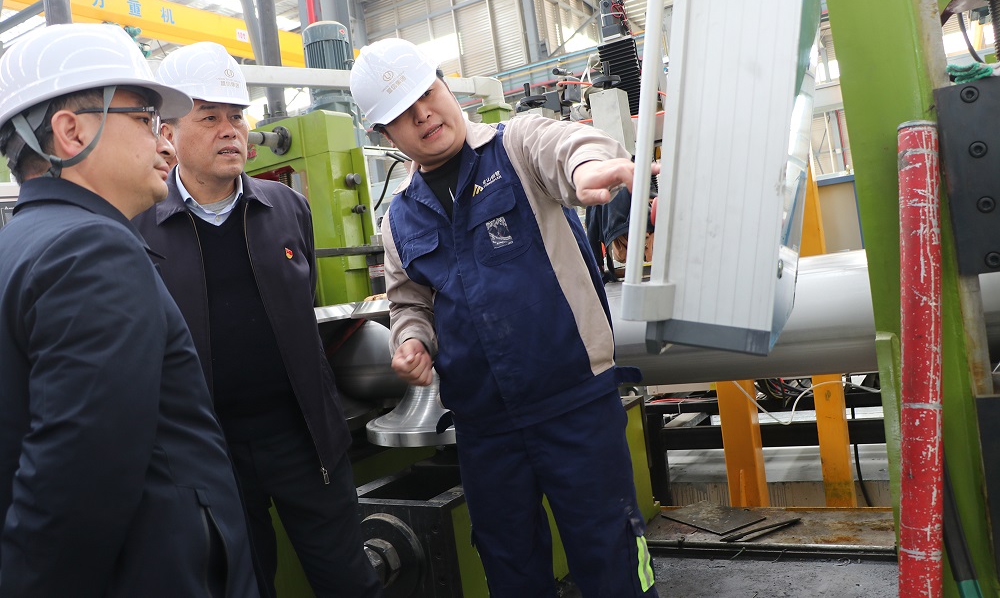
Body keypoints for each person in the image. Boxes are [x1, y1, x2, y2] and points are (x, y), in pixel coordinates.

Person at [350, 37, 660, 597]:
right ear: (384, 135)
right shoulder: (398, 220)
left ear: (445, 85)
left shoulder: (516, 147)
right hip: (483, 427)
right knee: (510, 569)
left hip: (574, 405)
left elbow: (567, 146)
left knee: (611, 554)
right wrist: (412, 339)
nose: (423, 115)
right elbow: (409, 301)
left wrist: (592, 166)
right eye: (401, 113)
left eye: (427, 93)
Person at [0, 23, 258, 597]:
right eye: (144, 120)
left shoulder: (23, 242)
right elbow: (76, 481)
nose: (165, 144)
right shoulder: (92, 250)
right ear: (71, 132)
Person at [133, 42, 382, 598]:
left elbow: (301, 307)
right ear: (168, 133)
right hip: (208, 453)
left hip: (305, 440)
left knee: (350, 580)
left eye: (237, 117)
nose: (230, 131)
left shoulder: (286, 206)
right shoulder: (140, 227)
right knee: (243, 586)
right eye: (210, 117)